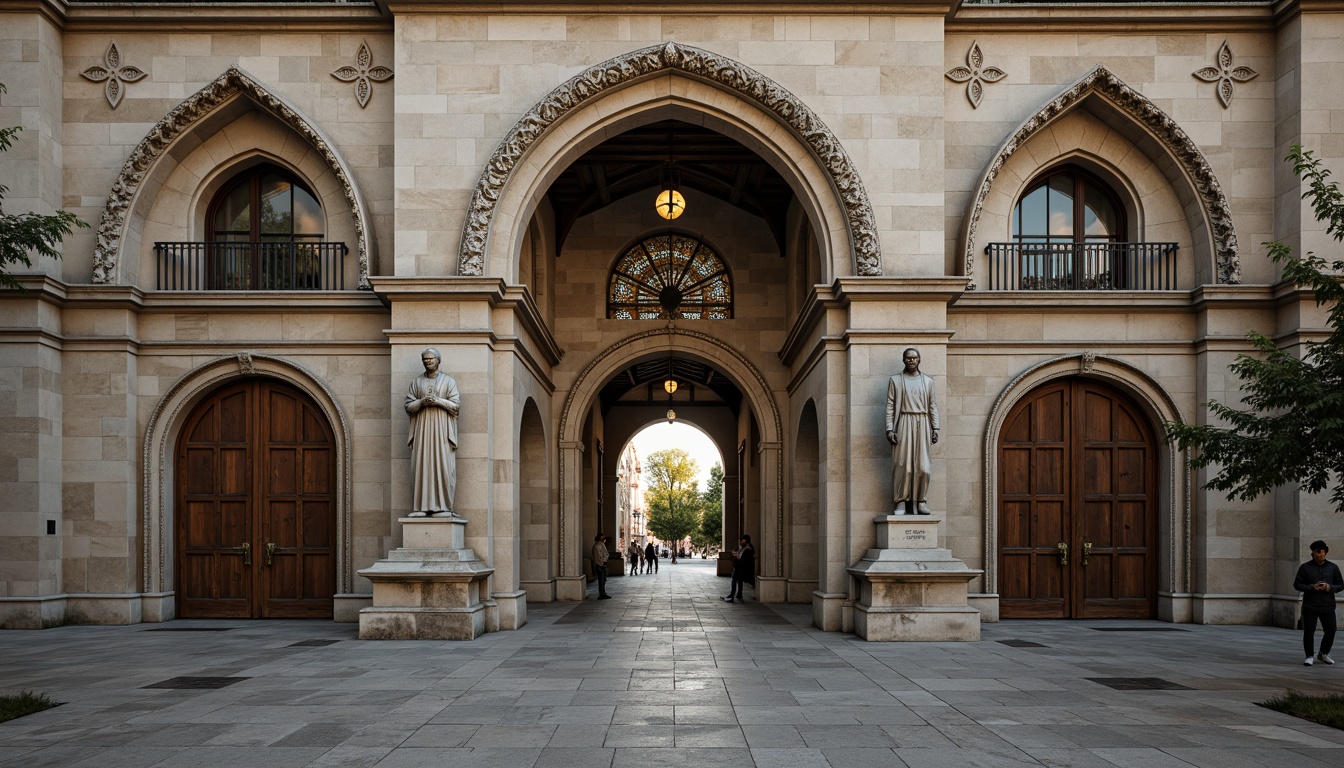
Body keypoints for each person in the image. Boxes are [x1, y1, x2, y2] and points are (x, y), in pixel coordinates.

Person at [404, 347, 461, 518]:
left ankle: (443, 507)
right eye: (425, 359)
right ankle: (421, 507)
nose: (428, 362)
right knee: (421, 466)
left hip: (441, 430)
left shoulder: (448, 382)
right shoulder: (416, 383)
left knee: (442, 465)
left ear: (438, 360)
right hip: (422, 431)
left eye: (431, 359)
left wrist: (438, 401)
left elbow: (456, 406)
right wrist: (421, 402)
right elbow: (408, 406)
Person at [885, 347, 939, 515]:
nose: (911, 360)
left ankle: (921, 500)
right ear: (904, 360)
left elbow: (933, 406)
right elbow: (890, 406)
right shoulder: (895, 380)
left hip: (922, 423)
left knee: (924, 467)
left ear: (919, 360)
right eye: (908, 358)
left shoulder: (928, 382)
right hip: (903, 422)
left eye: (914, 358)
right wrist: (889, 429)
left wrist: (935, 426)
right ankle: (901, 501)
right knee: (903, 466)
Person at [1295, 540, 1344, 665]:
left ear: (1325, 553)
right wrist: (1312, 587)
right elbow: (1297, 584)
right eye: (1315, 552)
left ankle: (1323, 653)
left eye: (1320, 551)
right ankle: (1309, 656)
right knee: (1309, 632)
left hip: (1327, 605)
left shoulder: (1333, 567)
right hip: (1310, 605)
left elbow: (1340, 585)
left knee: (1331, 630)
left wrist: (1329, 587)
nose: (1317, 554)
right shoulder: (1305, 567)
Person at [723, 534, 755, 603]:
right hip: (737, 566)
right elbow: (736, 553)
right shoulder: (741, 547)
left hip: (742, 567)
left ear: (746, 540)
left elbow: (746, 558)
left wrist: (738, 557)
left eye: (743, 540)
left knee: (736, 580)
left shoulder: (748, 548)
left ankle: (734, 595)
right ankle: (736, 594)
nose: (741, 541)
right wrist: (735, 554)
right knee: (737, 580)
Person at [591, 533, 611, 599]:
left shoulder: (601, 545)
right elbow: (598, 557)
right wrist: (602, 563)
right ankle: (602, 593)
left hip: (602, 564)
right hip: (600, 565)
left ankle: (603, 592)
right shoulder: (597, 546)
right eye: (603, 538)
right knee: (601, 580)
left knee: (603, 579)